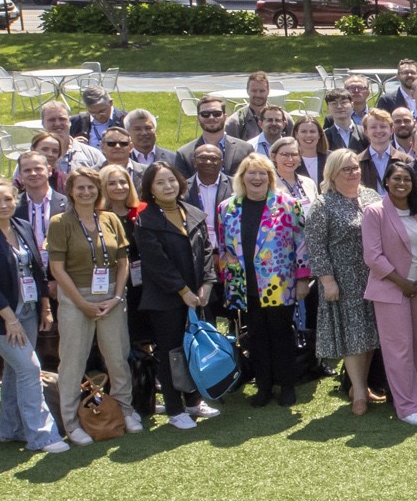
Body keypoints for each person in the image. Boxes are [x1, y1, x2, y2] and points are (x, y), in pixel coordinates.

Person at [0, 179, 68, 455]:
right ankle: (41, 435)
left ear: (15, 201)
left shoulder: (21, 226)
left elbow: (36, 269)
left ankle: (10, 428)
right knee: (29, 369)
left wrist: (45, 307)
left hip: (29, 310)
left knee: (15, 370)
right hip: (0, 318)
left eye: (7, 200)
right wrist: (9, 319)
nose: (3, 205)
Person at [45, 167, 139, 445]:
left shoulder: (109, 219)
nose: (86, 192)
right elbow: (57, 270)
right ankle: (72, 423)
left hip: (110, 297)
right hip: (76, 298)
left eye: (91, 187)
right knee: (72, 362)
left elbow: (123, 262)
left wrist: (118, 296)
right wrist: (81, 303)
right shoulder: (60, 222)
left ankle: (125, 410)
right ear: (71, 191)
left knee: (117, 358)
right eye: (80, 188)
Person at [129, 162, 217, 431]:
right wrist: (183, 291)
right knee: (171, 353)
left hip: (196, 296)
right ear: (150, 189)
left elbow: (206, 253)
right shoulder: (145, 221)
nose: (168, 186)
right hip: (165, 299)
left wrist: (206, 286)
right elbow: (157, 263)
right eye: (160, 183)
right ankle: (174, 407)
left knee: (192, 351)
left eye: (171, 180)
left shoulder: (193, 213)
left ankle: (193, 400)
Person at [216, 156, 307, 409]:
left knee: (281, 335)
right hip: (245, 286)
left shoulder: (288, 205)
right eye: (251, 173)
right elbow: (224, 247)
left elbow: (302, 245)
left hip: (280, 284)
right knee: (256, 337)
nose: (256, 178)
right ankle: (264, 386)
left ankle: (286, 385)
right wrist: (229, 282)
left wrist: (302, 279)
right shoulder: (227, 207)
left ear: (270, 177)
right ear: (241, 177)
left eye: (262, 174)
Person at [360, 160, 417, 424]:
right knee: (399, 348)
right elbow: (373, 256)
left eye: (407, 179)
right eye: (396, 179)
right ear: (386, 182)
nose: (402, 184)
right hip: (391, 290)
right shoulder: (375, 212)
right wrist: (402, 282)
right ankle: (406, 406)